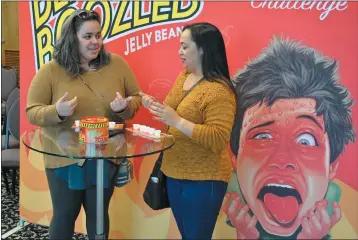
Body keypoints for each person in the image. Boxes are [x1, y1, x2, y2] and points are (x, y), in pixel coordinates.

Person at [223, 37, 355, 239]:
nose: (282, 160)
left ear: (332, 165)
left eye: (306, 141)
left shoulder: (326, 217)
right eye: (263, 136)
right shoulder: (238, 207)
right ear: (235, 155)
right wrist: (245, 234)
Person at [25, 9, 142, 240]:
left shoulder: (116, 64)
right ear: (72, 37)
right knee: (65, 214)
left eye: (98, 35)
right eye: (87, 36)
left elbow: (136, 97)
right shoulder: (51, 70)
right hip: (64, 158)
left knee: (99, 215)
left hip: (104, 157)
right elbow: (32, 111)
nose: (95, 42)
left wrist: (124, 107)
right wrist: (56, 112)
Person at [140, 22, 237, 239]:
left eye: (185, 47)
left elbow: (218, 138)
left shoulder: (219, 91)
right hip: (173, 173)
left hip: (203, 180)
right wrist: (153, 105)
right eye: (179, 46)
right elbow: (171, 110)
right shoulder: (185, 76)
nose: (179, 52)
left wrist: (177, 121)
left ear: (202, 49)